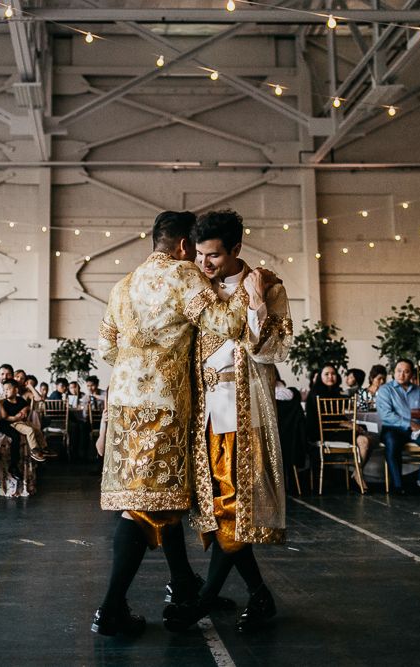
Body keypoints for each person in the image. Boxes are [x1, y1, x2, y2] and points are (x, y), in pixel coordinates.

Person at [91, 210, 252, 638]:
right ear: (183, 246)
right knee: (143, 507)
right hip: (162, 406)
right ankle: (110, 609)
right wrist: (246, 289)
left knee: (163, 500)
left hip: (125, 403)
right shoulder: (183, 276)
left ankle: (182, 583)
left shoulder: (122, 285)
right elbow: (228, 324)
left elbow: (106, 348)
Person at [163, 209, 292, 635]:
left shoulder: (269, 286)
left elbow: (273, 351)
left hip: (244, 413)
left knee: (235, 509)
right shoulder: (198, 288)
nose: (204, 263)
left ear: (236, 249)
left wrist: (255, 302)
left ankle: (202, 602)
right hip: (204, 416)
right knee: (221, 511)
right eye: (199, 254)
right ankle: (259, 594)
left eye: (213, 256)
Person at [376, 358, 420, 495]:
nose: (402, 375)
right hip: (393, 428)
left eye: (406, 372)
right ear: (393, 373)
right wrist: (408, 423)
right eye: (399, 371)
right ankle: (397, 485)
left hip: (417, 429)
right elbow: (386, 415)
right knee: (392, 442)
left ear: (412, 374)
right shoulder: (385, 390)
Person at [306, 364, 375, 489]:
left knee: (366, 439)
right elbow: (320, 419)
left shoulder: (336, 392)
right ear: (320, 376)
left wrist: (352, 425)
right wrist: (346, 424)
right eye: (326, 374)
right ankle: (358, 474)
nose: (330, 377)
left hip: (336, 430)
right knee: (364, 436)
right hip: (321, 432)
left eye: (333, 374)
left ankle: (357, 472)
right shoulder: (315, 394)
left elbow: (338, 416)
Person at [0, 380, 47, 463]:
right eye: (4, 390)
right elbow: (5, 417)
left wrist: (24, 410)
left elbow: (27, 406)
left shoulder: (20, 399)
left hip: (23, 421)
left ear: (16, 390)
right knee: (30, 430)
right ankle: (34, 450)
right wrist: (15, 417)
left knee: (37, 429)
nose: (5, 392)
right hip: (14, 423)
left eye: (8, 389)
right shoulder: (5, 403)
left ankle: (44, 447)